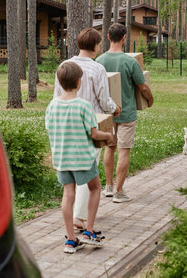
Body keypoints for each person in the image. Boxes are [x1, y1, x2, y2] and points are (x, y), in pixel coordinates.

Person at [54, 28, 121, 231]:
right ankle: (79, 216)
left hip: (67, 123)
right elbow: (102, 97)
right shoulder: (96, 68)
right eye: (99, 44)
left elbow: (57, 95)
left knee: (71, 175)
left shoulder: (64, 65)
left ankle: (73, 213)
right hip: (92, 123)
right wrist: (115, 108)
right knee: (88, 167)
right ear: (95, 46)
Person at [45, 62, 116, 254]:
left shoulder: (52, 106)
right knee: (95, 187)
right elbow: (94, 134)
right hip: (83, 159)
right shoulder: (84, 106)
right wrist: (108, 136)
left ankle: (70, 239)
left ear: (59, 82)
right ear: (79, 82)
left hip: (62, 159)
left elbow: (50, 129)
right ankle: (89, 231)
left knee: (68, 195)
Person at [96, 23, 154, 203]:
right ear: (124, 38)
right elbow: (143, 86)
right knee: (124, 151)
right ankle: (119, 193)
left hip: (107, 113)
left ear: (107, 37)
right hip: (127, 114)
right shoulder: (131, 62)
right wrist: (150, 99)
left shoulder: (99, 61)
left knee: (109, 148)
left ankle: (109, 187)